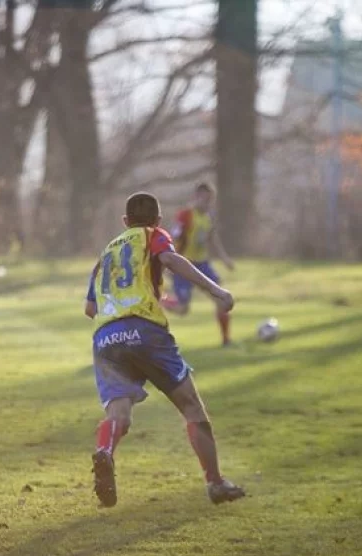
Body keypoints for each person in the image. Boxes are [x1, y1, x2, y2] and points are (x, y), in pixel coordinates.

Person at [84, 191, 246, 507]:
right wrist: (215, 290)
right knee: (192, 408)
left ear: (124, 222)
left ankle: (105, 452)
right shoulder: (153, 236)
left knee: (119, 413)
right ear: (158, 221)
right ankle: (215, 482)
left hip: (105, 337)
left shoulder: (106, 254)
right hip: (146, 332)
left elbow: (90, 307)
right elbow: (170, 259)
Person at [160, 182, 236, 346]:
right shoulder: (185, 215)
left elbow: (212, 238)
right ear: (195, 197)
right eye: (203, 198)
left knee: (221, 298)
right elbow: (174, 239)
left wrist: (224, 259)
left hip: (202, 265)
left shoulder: (209, 217)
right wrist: (169, 263)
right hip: (183, 265)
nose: (206, 202)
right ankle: (161, 299)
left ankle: (226, 340)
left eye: (209, 199)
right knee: (182, 309)